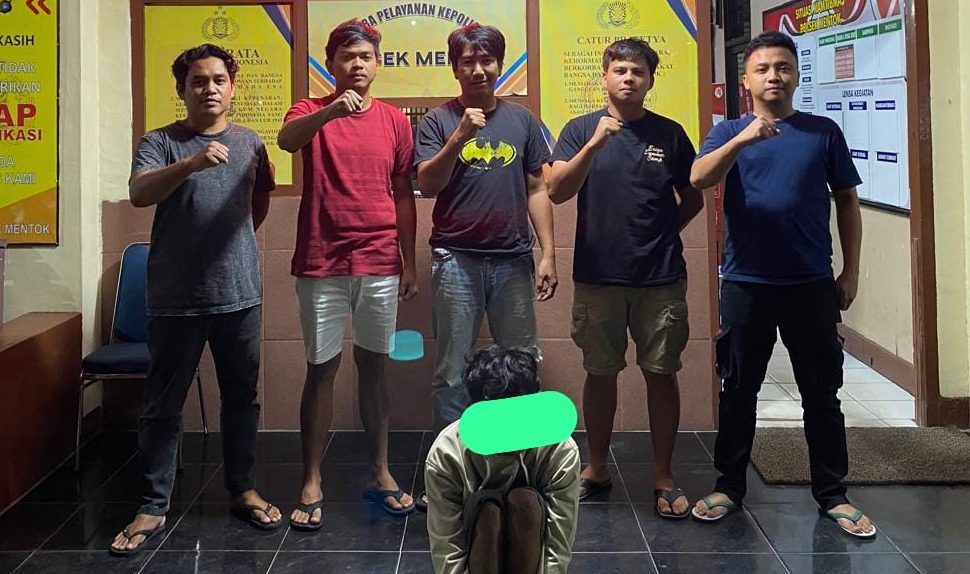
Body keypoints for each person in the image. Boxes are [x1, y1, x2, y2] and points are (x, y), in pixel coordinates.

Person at [689, 31, 874, 538]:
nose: (774, 76)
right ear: (746, 81)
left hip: (810, 283)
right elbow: (700, 178)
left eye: (783, 67)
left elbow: (847, 201)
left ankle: (833, 494)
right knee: (738, 390)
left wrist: (851, 271)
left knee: (822, 392)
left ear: (796, 75)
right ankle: (729, 486)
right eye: (763, 69)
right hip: (746, 284)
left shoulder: (822, 132)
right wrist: (743, 139)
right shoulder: (727, 131)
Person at [110, 44, 279, 555]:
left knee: (241, 399)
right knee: (163, 404)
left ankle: (242, 489)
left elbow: (260, 199)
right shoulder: (160, 141)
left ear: (233, 86)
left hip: (239, 294)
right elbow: (140, 193)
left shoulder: (250, 142)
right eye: (198, 81)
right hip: (175, 297)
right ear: (181, 89)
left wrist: (234, 244)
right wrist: (191, 163)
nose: (209, 89)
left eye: (218, 80)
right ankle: (153, 504)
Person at [547, 38, 703, 519]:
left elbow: (693, 197)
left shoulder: (670, 133)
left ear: (651, 80)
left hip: (660, 277)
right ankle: (596, 467)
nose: (629, 78)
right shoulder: (579, 130)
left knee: (661, 373)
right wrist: (595, 143)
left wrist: (661, 234)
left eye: (638, 72)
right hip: (599, 276)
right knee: (600, 373)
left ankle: (663, 475)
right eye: (620, 70)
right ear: (605, 76)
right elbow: (556, 190)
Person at [277, 19, 417, 528]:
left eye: (365, 57)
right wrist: (332, 111)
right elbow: (287, 140)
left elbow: (403, 194)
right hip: (322, 260)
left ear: (377, 64)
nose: (357, 64)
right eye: (347, 56)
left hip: (379, 258)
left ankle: (380, 471)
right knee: (321, 368)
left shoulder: (395, 121)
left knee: (375, 366)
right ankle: (311, 479)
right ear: (331, 63)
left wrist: (409, 260)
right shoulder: (309, 109)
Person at [414, 23, 557, 508]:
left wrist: (548, 252)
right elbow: (428, 185)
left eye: (486, 60)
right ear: (455, 68)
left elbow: (537, 188)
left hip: (513, 259)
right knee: (452, 373)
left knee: (521, 366)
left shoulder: (522, 120)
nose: (478, 69)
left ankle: (520, 472)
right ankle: (452, 475)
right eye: (468, 62)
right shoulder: (437, 121)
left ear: (499, 64)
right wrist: (459, 136)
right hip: (456, 258)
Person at [425, 346, 580, 574]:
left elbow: (556, 549)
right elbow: (447, 550)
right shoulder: (446, 454)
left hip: (532, 551)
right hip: (476, 550)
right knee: (488, 514)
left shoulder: (560, 450)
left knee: (525, 502)